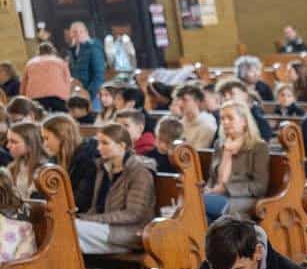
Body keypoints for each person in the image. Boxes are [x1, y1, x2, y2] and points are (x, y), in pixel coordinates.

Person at [79, 123, 155, 255]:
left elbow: (134, 214)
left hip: (129, 233)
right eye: (98, 143)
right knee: (64, 227)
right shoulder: (103, 167)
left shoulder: (139, 171)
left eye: (105, 143)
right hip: (104, 227)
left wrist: (92, 219)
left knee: (71, 230)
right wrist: (84, 218)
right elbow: (96, 207)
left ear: (122, 146)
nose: (99, 148)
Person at [203, 100, 270, 220]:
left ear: (244, 121)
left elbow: (260, 186)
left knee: (197, 203)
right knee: (199, 213)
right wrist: (209, 188)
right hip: (216, 196)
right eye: (222, 119)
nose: (225, 122)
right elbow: (213, 178)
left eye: (230, 118)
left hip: (242, 199)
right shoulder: (219, 145)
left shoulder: (258, 146)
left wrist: (227, 188)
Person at [40, 112, 98, 213]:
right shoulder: (54, 160)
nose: (45, 144)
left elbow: (81, 201)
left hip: (81, 215)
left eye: (47, 138)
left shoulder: (88, 160)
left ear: (62, 136)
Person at [20, 43, 70, 113]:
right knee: (60, 117)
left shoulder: (30, 63)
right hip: (57, 96)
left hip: (35, 96)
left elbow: (24, 83)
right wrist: (67, 97)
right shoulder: (60, 62)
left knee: (39, 117)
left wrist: (23, 98)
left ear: (38, 52)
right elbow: (67, 81)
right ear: (53, 51)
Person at [66, 21, 105, 108]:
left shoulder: (93, 48)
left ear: (86, 32)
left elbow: (99, 75)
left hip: (92, 96)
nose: (78, 34)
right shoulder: (72, 50)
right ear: (71, 34)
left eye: (81, 31)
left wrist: (89, 94)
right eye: (75, 32)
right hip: (78, 94)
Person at [6, 121, 47, 200]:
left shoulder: (44, 169)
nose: (8, 146)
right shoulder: (13, 166)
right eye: (8, 141)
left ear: (30, 144)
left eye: (14, 142)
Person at [170, 83, 217, 150]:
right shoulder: (180, 123)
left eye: (184, 100)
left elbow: (198, 153)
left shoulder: (207, 125)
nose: (180, 104)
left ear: (197, 102)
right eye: (178, 100)